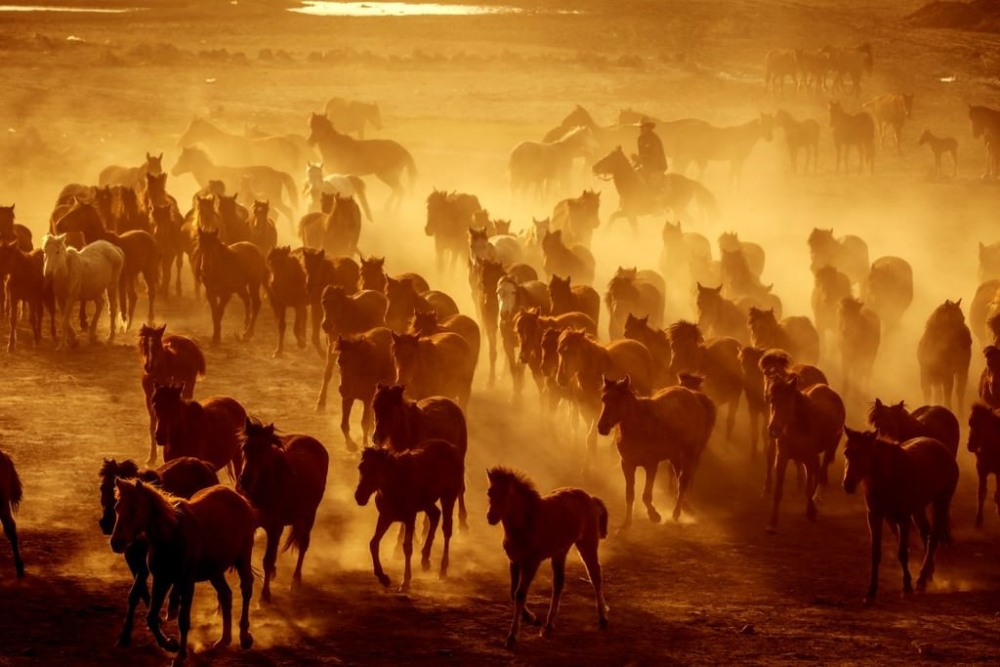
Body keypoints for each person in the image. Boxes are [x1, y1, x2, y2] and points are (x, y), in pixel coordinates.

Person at [634, 117, 667, 191]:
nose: (641, 129)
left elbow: (655, 155)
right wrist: (637, 160)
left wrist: (642, 159)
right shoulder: (640, 138)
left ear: (648, 127)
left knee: (652, 186)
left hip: (657, 166)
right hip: (645, 165)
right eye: (640, 127)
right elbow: (641, 154)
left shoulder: (654, 139)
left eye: (643, 127)